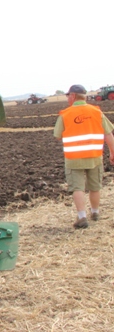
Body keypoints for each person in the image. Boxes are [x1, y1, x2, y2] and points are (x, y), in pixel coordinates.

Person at [54, 84, 114, 229]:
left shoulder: (65, 114)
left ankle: (82, 217)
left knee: (78, 188)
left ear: (73, 96)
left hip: (74, 159)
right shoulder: (96, 112)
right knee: (95, 187)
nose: (67, 98)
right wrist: (112, 152)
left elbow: (57, 135)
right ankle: (95, 212)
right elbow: (108, 134)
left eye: (68, 95)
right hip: (95, 157)